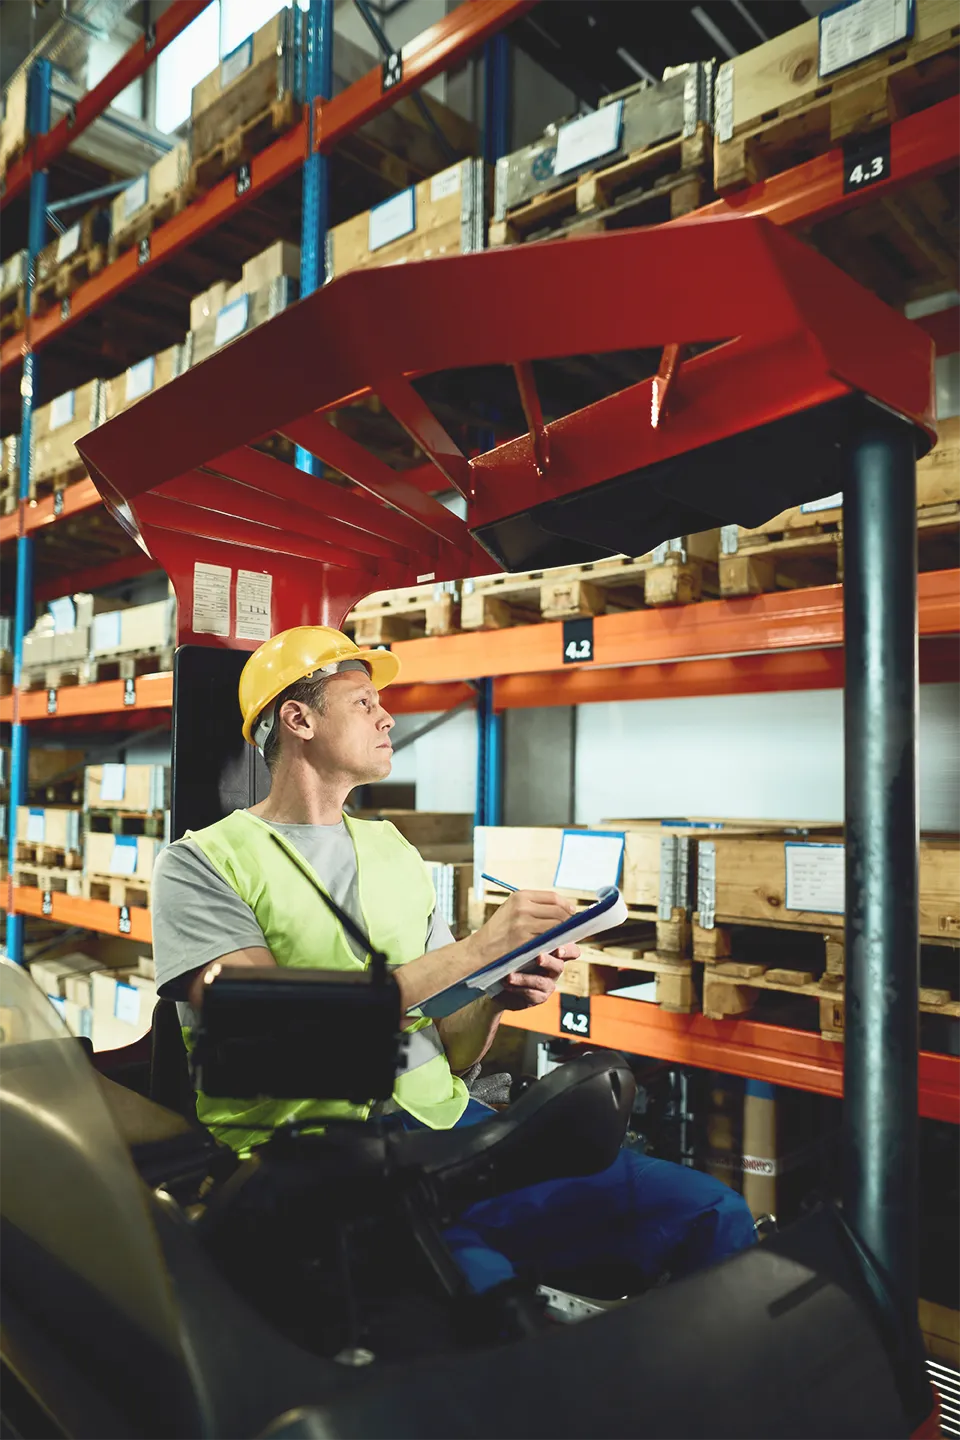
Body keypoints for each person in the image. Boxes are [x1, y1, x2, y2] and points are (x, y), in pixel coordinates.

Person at [152, 625, 756, 1294]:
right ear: (297, 719)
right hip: (312, 1161)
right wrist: (478, 948)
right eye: (361, 702)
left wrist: (495, 990)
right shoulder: (202, 863)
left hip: (449, 1130)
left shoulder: (394, 850)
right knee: (489, 1311)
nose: (387, 717)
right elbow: (269, 1024)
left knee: (713, 1212)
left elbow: (454, 1046)